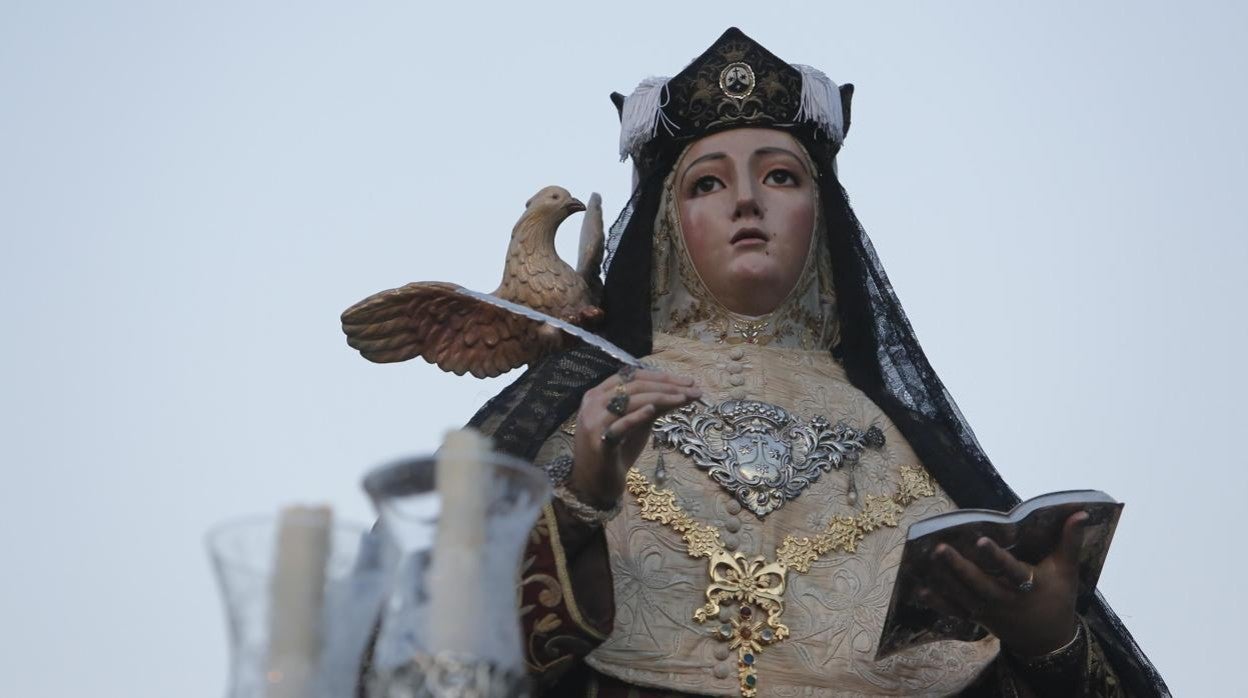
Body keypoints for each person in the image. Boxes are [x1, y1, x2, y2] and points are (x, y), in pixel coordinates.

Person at [469, 28, 1168, 697]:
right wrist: (579, 500)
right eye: (707, 184)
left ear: (820, 210)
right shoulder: (589, 405)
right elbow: (430, 653)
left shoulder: (907, 444)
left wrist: (1049, 647)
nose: (747, 200)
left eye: (779, 176)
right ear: (663, 225)